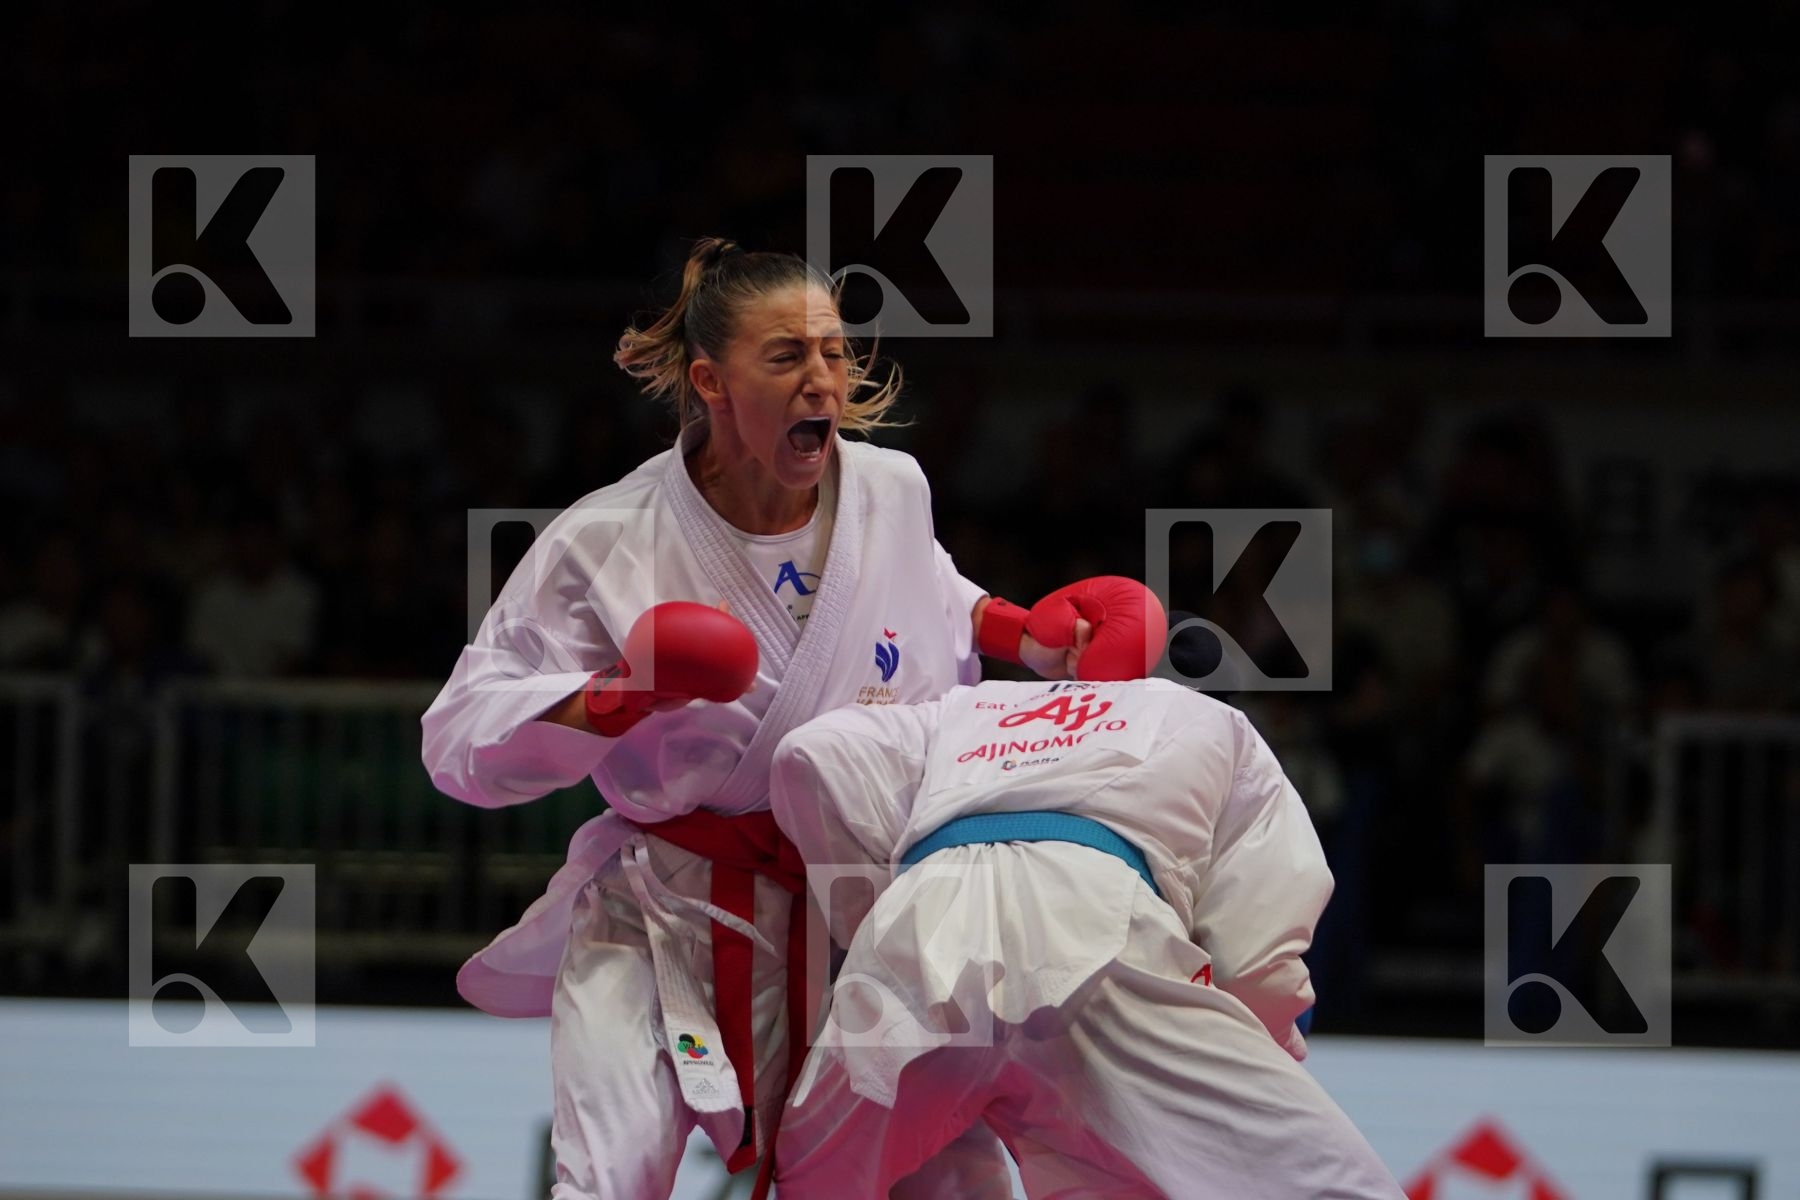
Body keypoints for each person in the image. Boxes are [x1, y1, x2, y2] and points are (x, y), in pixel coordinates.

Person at [419, 237, 1164, 1200]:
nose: (824, 380)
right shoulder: (607, 536)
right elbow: (460, 738)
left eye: (835, 353)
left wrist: (1020, 631)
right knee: (606, 1178)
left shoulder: (892, 490)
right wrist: (618, 693)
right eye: (787, 357)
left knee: (949, 1177)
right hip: (666, 913)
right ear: (711, 382)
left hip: (863, 908)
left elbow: (924, 597)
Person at [767, 674, 1404, 1199]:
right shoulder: (1209, 716)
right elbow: (1255, 953)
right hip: (1096, 941)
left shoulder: (961, 708)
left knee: (818, 1183)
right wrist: (1269, 1038)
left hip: (912, 949)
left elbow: (806, 756)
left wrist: (868, 919)